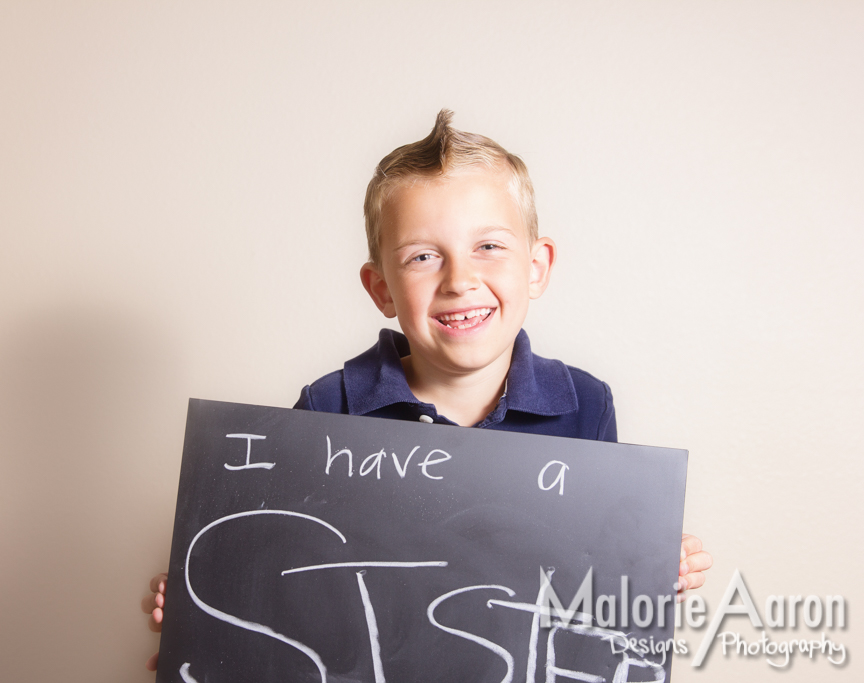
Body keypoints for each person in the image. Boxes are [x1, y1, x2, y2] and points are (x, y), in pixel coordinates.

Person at [141, 110, 713, 671]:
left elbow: (589, 593)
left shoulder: (585, 406)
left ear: (537, 267)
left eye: (489, 246)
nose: (459, 280)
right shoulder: (329, 408)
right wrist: (206, 614)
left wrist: (646, 571)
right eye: (422, 256)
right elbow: (273, 573)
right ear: (381, 288)